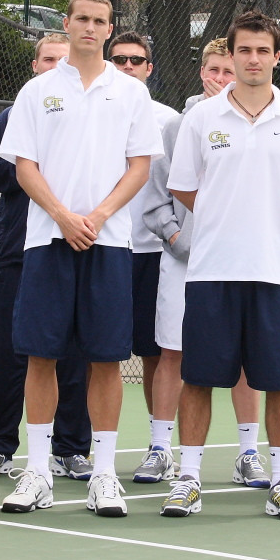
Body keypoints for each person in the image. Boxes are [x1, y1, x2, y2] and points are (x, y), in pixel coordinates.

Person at [0, 0, 163, 518]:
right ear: (66, 24)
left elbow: (139, 167)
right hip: (49, 240)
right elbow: (24, 167)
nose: (90, 28)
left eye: (100, 21)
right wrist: (65, 216)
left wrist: (96, 216)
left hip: (109, 242)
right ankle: (39, 471)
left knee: (106, 359)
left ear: (109, 29)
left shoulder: (131, 95)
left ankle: (105, 474)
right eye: (82, 19)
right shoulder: (36, 91)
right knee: (41, 355)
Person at [161, 11, 280, 521]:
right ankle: (187, 479)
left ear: (278, 56)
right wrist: (226, 219)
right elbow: (184, 189)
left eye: (263, 50)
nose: (253, 59)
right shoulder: (201, 119)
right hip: (211, 271)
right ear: (229, 57)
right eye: (244, 50)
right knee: (199, 378)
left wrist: (267, 219)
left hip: (276, 272)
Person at [137, 38, 267, 488]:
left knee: (245, 360)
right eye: (213, 71)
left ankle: (249, 453)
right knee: (173, 352)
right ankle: (159, 449)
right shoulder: (179, 124)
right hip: (185, 263)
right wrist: (177, 238)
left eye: (228, 72)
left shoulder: (265, 122)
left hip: (240, 264)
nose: (220, 79)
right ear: (202, 73)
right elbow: (156, 199)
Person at [0, 33, 93, 483]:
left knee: (74, 354)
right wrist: (41, 161)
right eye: (47, 59)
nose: (54, 66)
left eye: (62, 60)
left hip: (75, 246)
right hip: (19, 250)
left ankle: (70, 448)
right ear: (34, 65)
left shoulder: (87, 112)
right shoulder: (14, 114)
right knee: (9, 352)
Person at [106, 32, 180, 423]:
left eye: (136, 60)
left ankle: (158, 444)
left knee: (155, 352)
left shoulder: (168, 121)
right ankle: (82, 446)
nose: (128, 67)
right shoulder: (94, 113)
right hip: (105, 247)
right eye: (119, 60)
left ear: (149, 68)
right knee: (99, 354)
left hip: (154, 252)